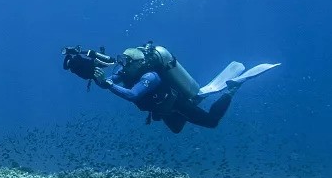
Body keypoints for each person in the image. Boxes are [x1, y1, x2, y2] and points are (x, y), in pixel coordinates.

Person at [91, 44, 236, 134]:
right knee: (176, 129)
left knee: (212, 122)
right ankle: (195, 100)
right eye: (122, 60)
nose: (123, 65)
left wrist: (108, 84)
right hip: (163, 108)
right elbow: (106, 82)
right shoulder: (126, 71)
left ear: (138, 63)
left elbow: (132, 95)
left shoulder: (150, 76)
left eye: (127, 61)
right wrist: (96, 76)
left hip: (177, 103)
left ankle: (230, 92)